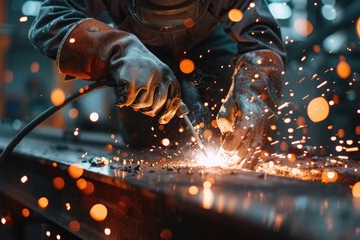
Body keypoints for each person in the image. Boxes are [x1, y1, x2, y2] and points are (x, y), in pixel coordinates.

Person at [28, 0, 286, 168]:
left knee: (236, 127)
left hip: (211, 44)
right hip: (139, 54)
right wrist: (115, 50)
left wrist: (255, 92)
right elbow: (48, 21)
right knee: (145, 140)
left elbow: (261, 34)